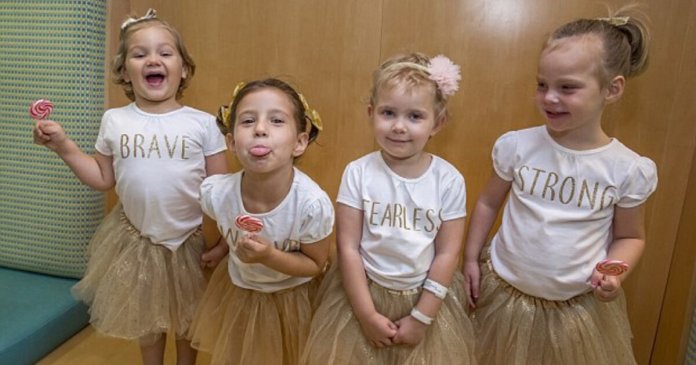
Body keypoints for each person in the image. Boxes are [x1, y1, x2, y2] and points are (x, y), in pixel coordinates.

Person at [461, 5, 657, 365]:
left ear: (612, 89)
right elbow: (489, 203)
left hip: (575, 313)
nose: (549, 97)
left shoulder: (627, 169)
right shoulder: (518, 146)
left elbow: (631, 237)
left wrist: (613, 272)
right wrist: (471, 258)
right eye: (542, 85)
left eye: (567, 87)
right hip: (504, 297)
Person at [32, 9, 228, 365]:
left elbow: (220, 193)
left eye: (165, 53)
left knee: (188, 320)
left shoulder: (202, 124)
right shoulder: (115, 119)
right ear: (124, 71)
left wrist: (224, 242)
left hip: (192, 241)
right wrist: (63, 145)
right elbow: (103, 178)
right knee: (147, 319)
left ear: (183, 68)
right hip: (139, 240)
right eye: (140, 54)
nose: (153, 59)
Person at [300, 53, 476, 365]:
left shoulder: (448, 180)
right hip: (362, 295)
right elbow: (348, 247)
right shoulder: (358, 172)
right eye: (388, 113)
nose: (398, 126)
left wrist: (422, 317)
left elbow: (448, 254)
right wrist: (366, 314)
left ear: (438, 122)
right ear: (371, 113)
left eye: (415, 117)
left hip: (425, 298)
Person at [188, 78, 334, 365]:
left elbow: (315, 265)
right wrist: (219, 248)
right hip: (241, 291)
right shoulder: (217, 191)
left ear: (300, 142)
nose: (260, 129)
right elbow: (212, 217)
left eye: (277, 120)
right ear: (231, 141)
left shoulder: (311, 204)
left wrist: (269, 256)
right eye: (248, 121)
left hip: (294, 298)